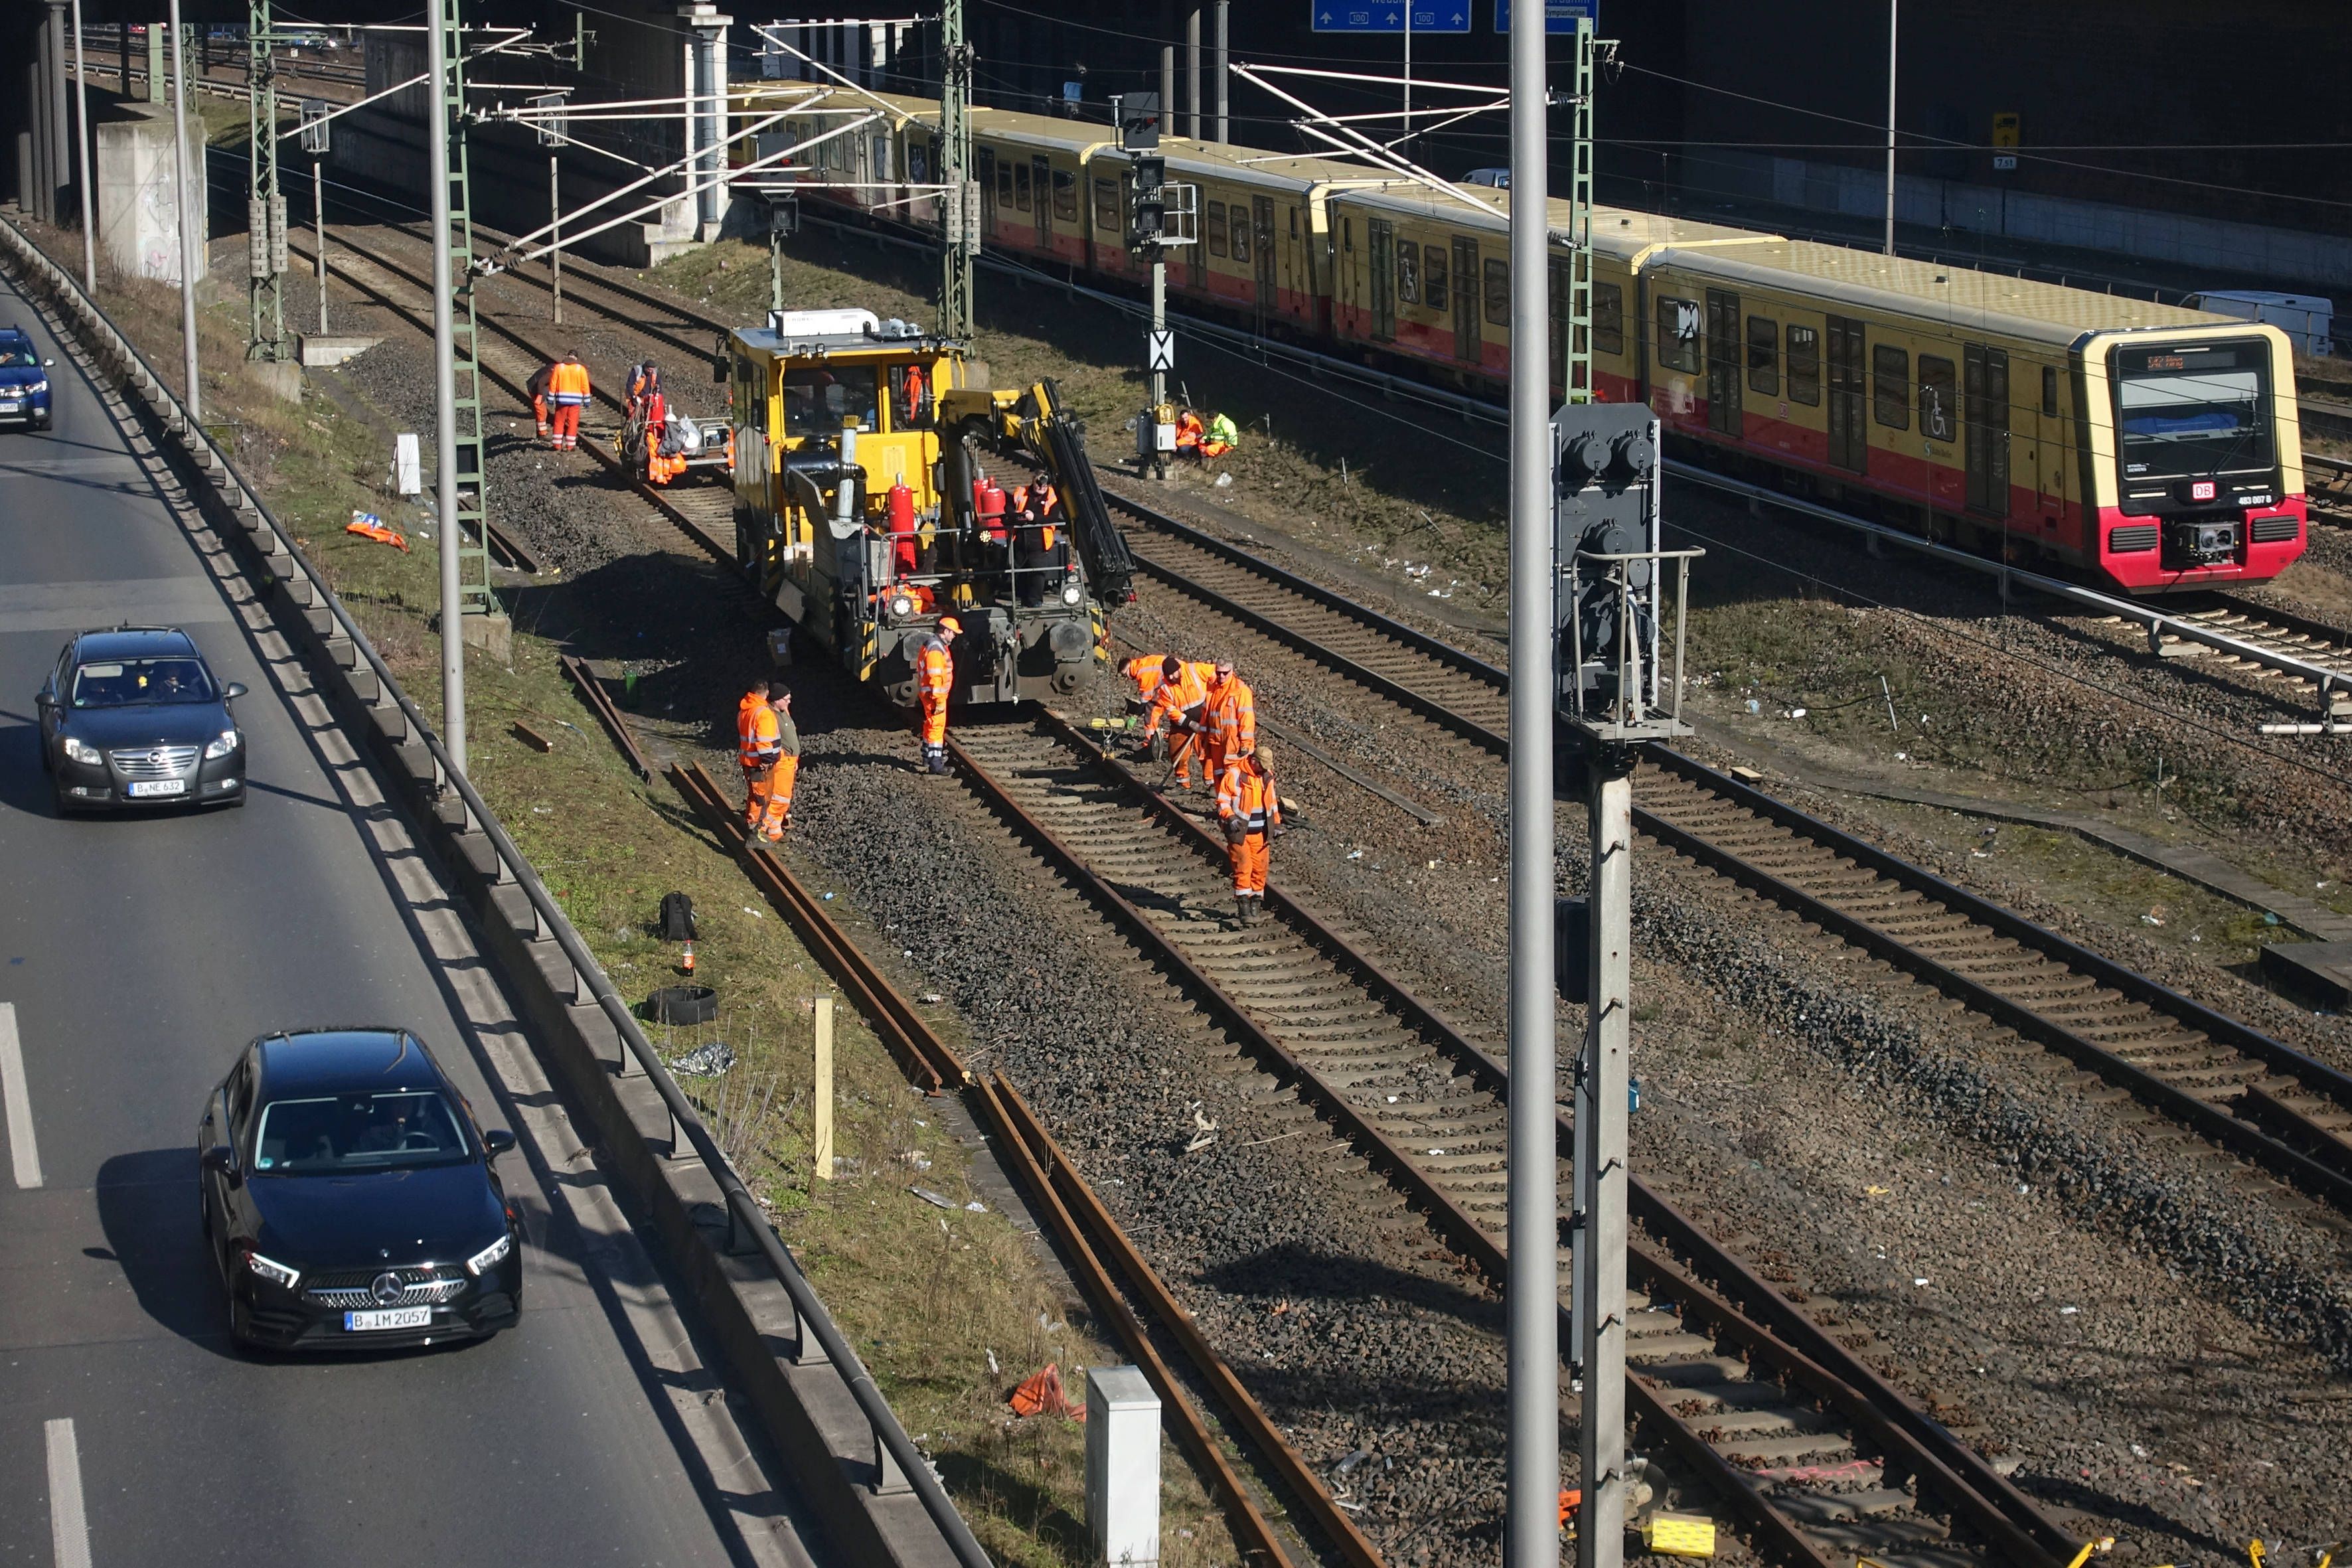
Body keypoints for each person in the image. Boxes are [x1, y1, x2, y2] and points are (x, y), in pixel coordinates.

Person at [1215, 742, 1283, 926]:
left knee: (1260, 870)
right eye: (1262, 766)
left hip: (1261, 834)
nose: (1265, 770)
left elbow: (1272, 803)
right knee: (1243, 868)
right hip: (1240, 834)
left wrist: (1276, 823)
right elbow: (1223, 800)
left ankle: (1255, 905)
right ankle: (1244, 909)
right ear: (1254, 762)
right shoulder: (1235, 775)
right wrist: (1229, 817)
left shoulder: (1267, 778)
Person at [1137, 654, 1212, 788]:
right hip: (1182, 724)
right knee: (1177, 751)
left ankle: (1211, 783)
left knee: (1206, 752)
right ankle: (1183, 783)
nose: (1171, 678)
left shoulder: (1195, 670)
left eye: (1173, 674)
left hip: (1204, 720)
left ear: (1179, 669)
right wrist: (1189, 723)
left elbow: (1217, 675)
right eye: (1168, 675)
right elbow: (1171, 710)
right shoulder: (1164, 687)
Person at [738, 678, 799, 842]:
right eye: (786, 699)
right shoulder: (765, 714)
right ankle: (757, 831)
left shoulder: (752, 711)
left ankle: (772, 830)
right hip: (765, 763)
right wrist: (769, 760)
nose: (789, 701)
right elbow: (765, 741)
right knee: (764, 798)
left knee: (765, 798)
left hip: (760, 761)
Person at [915, 616, 959, 775]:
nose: (954, 636)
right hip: (934, 696)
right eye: (953, 633)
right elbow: (935, 676)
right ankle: (936, 764)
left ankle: (928, 756)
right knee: (936, 727)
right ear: (945, 631)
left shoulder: (936, 645)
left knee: (930, 725)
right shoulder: (935, 648)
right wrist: (940, 699)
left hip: (931, 694)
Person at [1200, 657, 1256, 783]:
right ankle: (1221, 801)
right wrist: (1203, 735)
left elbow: (1246, 719)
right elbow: (1206, 714)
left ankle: (1232, 802)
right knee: (1219, 775)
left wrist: (1245, 744)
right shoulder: (1212, 689)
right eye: (1219, 673)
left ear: (1232, 671)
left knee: (1233, 777)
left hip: (1233, 742)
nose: (1222, 676)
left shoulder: (1241, 691)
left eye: (1225, 673)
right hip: (1216, 742)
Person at [546, 350, 591, 451]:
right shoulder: (581, 369)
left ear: (567, 356)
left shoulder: (559, 368)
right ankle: (570, 446)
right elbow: (585, 386)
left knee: (559, 422)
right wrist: (587, 400)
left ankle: (557, 445)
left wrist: (550, 397)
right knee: (573, 423)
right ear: (576, 358)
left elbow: (553, 383)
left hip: (561, 400)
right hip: (575, 402)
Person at [526, 360, 554, 442]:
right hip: (535, 389)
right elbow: (541, 382)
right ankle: (542, 434)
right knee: (542, 412)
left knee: (542, 412)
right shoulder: (553, 373)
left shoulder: (556, 368)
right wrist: (540, 396)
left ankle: (540, 432)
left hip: (535, 387)